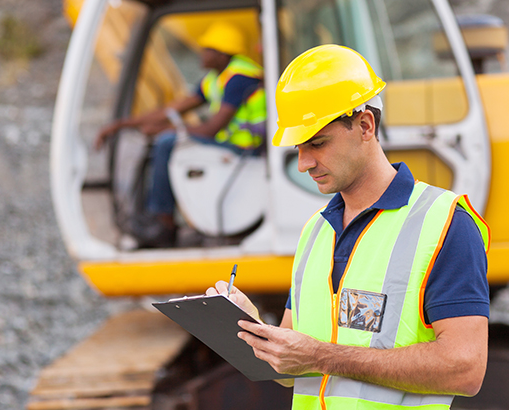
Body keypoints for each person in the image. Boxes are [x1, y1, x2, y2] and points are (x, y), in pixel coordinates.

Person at [207, 44, 490, 409]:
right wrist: (255, 326)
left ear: (365, 125)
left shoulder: (445, 223)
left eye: (318, 143)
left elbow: (465, 370)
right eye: (298, 148)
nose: (304, 163)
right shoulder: (315, 232)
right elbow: (293, 370)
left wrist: (322, 357)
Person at [95, 22, 266, 247]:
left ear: (222, 54)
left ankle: (164, 220)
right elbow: (173, 110)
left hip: (249, 150)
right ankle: (169, 216)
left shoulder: (240, 78)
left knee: (167, 142)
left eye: (207, 49)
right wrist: (122, 124)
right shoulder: (216, 78)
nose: (201, 54)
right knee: (167, 141)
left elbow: (210, 129)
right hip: (232, 145)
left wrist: (162, 130)